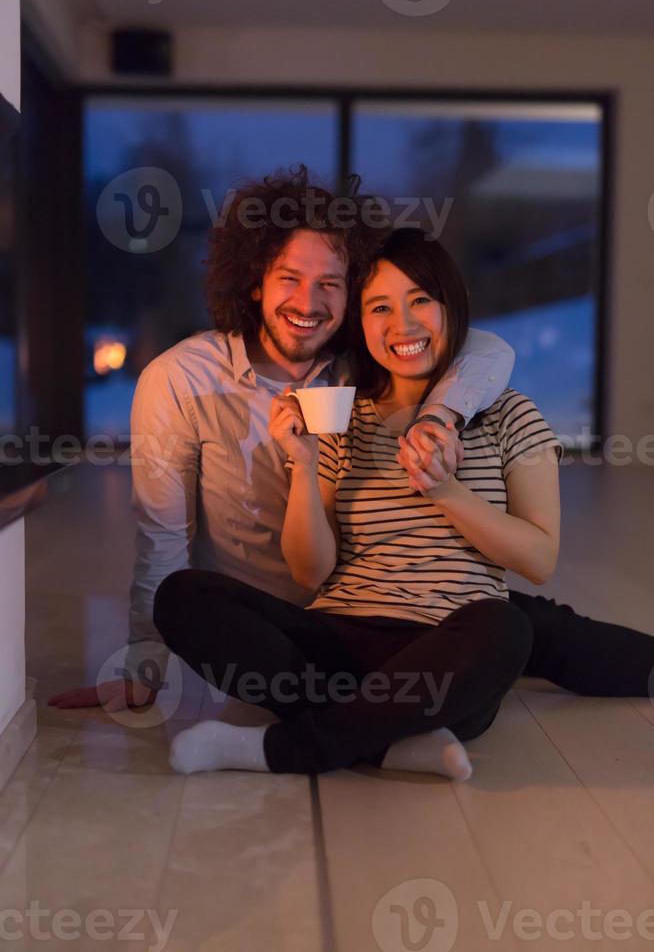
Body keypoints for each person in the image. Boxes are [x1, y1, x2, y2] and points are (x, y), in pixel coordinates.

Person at [152, 228, 654, 779]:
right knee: (182, 595)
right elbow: (310, 569)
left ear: (451, 307)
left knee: (509, 627)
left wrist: (446, 490)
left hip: (445, 644)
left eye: (421, 301)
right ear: (359, 322)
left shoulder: (510, 415)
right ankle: (388, 736)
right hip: (338, 639)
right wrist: (303, 460)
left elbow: (538, 559)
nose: (403, 325)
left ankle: (289, 748)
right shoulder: (342, 419)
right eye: (379, 307)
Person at [48, 167, 515, 713]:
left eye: (330, 284)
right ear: (254, 281)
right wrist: (144, 667)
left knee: (519, 622)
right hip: (258, 625)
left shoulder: (360, 367)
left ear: (352, 293)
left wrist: (438, 416)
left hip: (365, 610)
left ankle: (359, 718)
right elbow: (164, 538)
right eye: (289, 278)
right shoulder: (180, 379)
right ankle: (382, 722)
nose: (309, 302)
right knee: (183, 600)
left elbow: (487, 347)